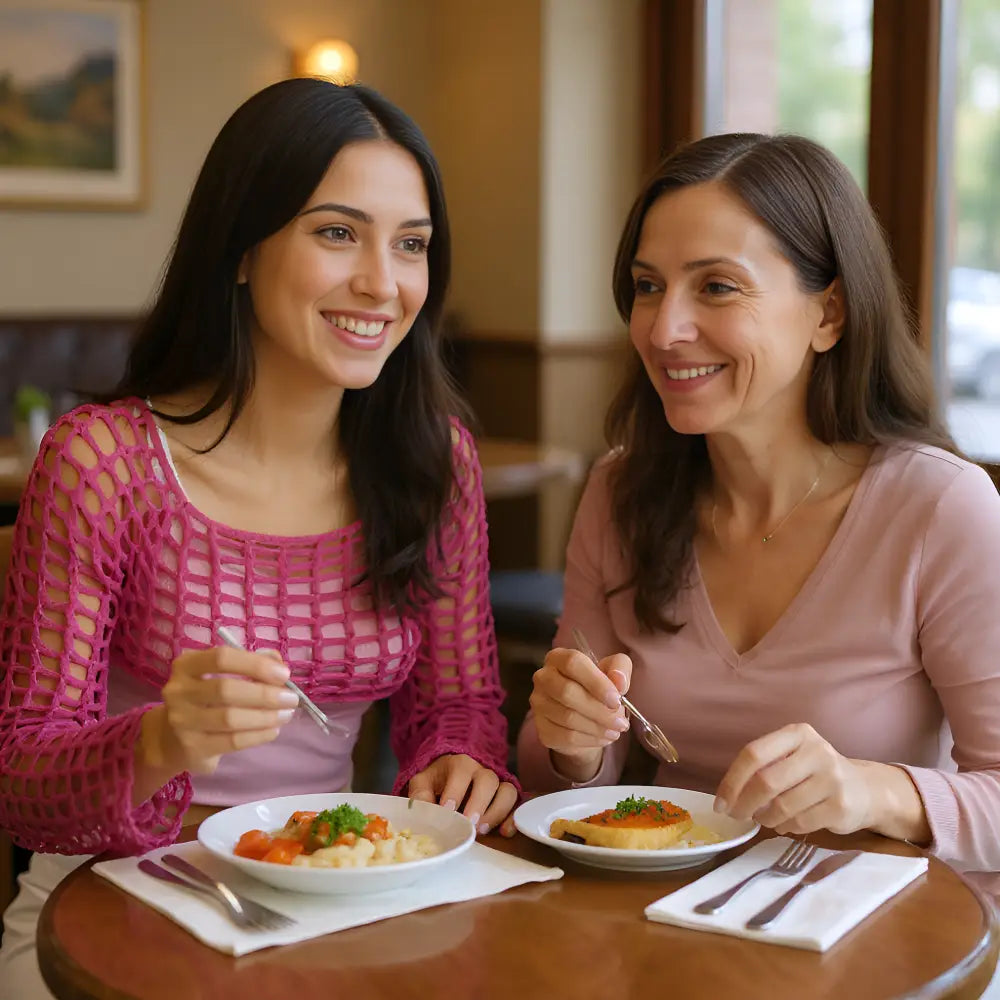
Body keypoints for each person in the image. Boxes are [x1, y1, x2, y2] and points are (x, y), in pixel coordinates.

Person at [0, 78, 517, 998]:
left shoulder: (438, 467)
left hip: (337, 903)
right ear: (241, 248)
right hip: (107, 909)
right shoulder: (105, 464)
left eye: (411, 245)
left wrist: (461, 767)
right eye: (336, 232)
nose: (382, 282)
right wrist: (161, 740)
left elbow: (459, 709)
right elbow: (23, 778)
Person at [517, 133, 1000, 902]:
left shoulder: (941, 507)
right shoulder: (620, 490)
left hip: (887, 939)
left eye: (716, 287)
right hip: (666, 926)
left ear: (829, 314)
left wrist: (875, 792)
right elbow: (561, 786)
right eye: (648, 286)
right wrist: (571, 746)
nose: (663, 328)